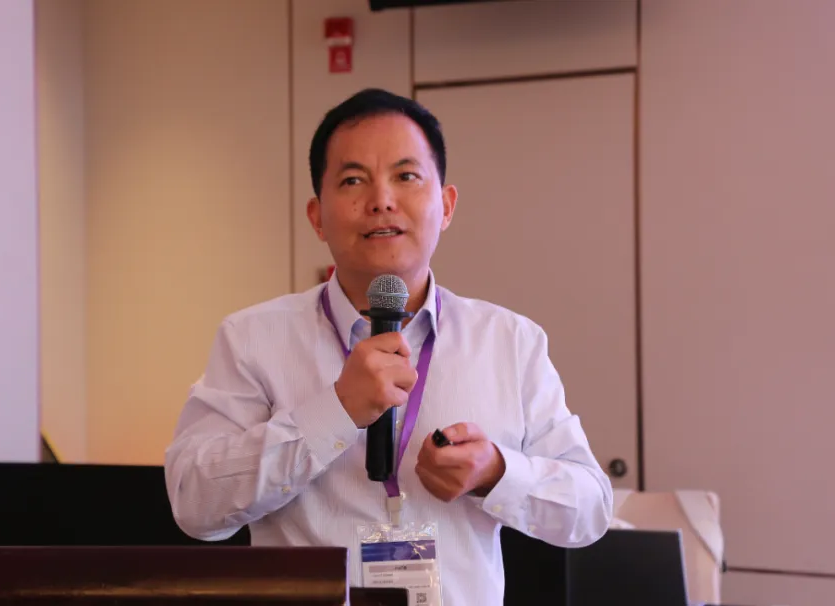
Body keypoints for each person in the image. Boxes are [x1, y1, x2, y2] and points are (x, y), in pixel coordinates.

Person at [163, 88, 612, 605]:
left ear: (446, 205)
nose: (381, 200)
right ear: (317, 216)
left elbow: (591, 509)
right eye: (353, 180)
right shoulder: (252, 338)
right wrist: (334, 412)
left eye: (406, 176)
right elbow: (194, 504)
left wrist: (496, 472)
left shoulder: (510, 342)